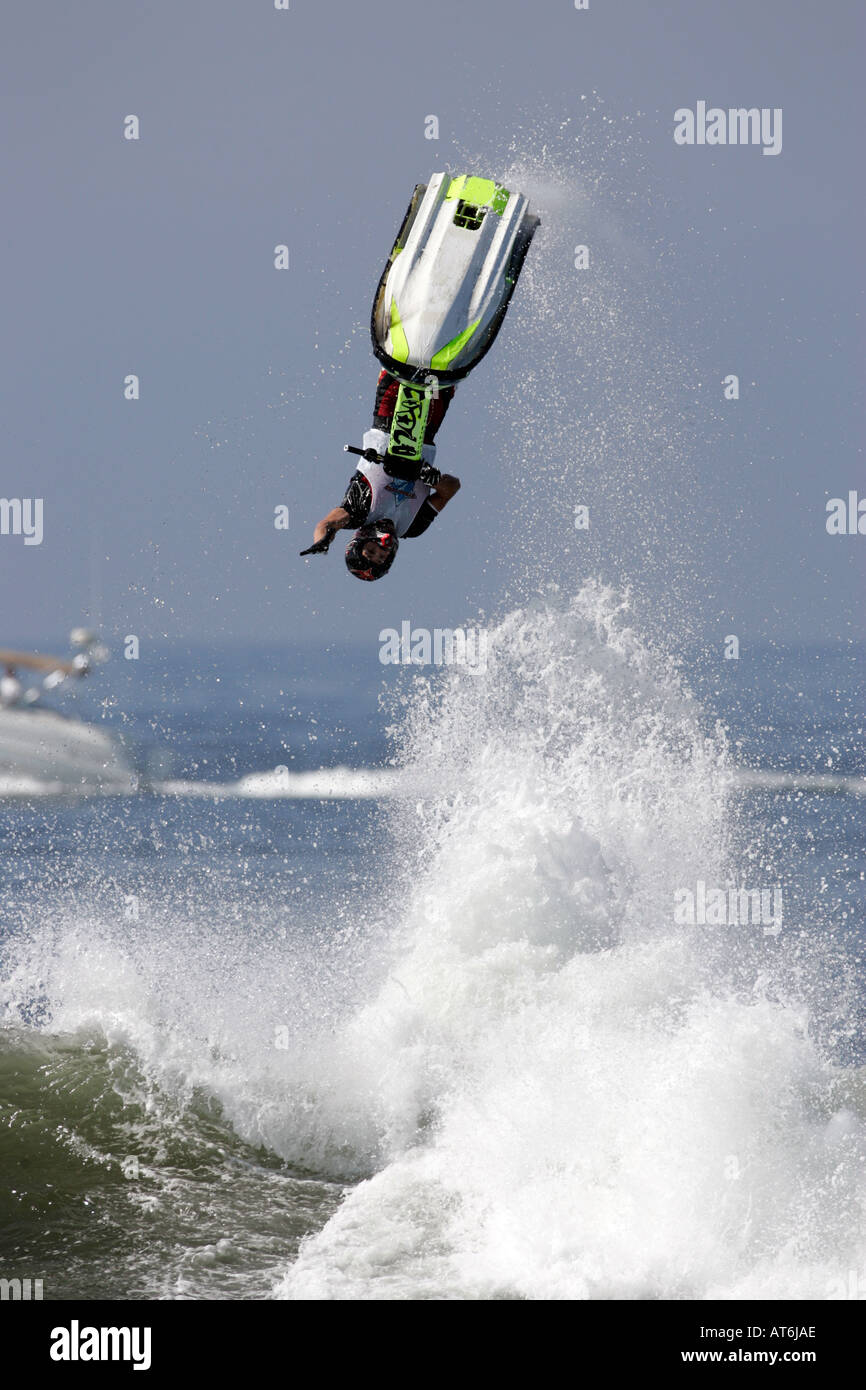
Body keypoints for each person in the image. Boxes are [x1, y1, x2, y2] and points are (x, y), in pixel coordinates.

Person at [301, 370, 461, 582]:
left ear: (358, 543)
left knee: (401, 369)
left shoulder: (357, 513)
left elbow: (326, 525)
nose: (380, 550)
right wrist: (433, 480)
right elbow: (451, 488)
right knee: (445, 377)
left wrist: (322, 541)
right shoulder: (412, 527)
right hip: (427, 429)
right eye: (382, 557)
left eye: (371, 552)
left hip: (388, 420)